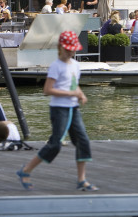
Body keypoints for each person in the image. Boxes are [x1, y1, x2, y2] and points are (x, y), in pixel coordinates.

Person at [16, 31, 97, 191]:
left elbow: (73, 83)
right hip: (59, 109)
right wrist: (72, 93)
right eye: (69, 49)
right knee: (55, 144)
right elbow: (47, 90)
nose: (72, 52)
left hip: (73, 108)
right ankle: (25, 171)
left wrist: (80, 93)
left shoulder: (75, 65)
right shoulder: (56, 66)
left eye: (73, 49)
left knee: (83, 141)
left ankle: (81, 179)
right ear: (61, 48)